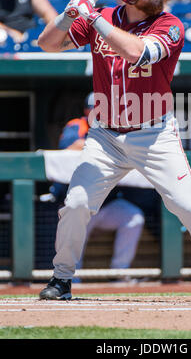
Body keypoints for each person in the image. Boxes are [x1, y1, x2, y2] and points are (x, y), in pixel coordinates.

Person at [37, 0, 191, 302]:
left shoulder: (170, 25)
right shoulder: (101, 18)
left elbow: (138, 53)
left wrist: (91, 17)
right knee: (75, 203)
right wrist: (68, 14)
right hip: (104, 136)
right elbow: (46, 43)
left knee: (185, 204)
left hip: (154, 133)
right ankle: (61, 278)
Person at [48, 92, 145, 275]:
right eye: (95, 110)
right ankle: (70, 279)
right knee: (75, 225)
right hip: (81, 201)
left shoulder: (115, 127)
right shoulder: (77, 125)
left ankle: (119, 273)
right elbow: (69, 147)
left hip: (107, 204)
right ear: (86, 110)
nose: (99, 114)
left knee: (133, 217)